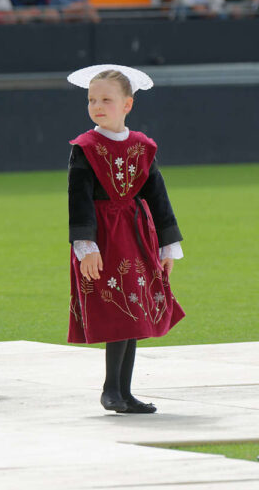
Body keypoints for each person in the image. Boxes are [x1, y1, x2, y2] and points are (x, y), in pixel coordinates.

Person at [65, 64, 185, 414]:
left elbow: (158, 198)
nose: (97, 106)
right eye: (92, 100)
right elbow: (79, 200)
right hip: (104, 241)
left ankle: (125, 392)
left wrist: (167, 246)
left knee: (135, 309)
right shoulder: (85, 147)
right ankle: (110, 390)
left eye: (106, 99)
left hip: (135, 237)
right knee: (119, 310)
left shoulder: (142, 146)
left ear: (127, 105)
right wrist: (86, 246)